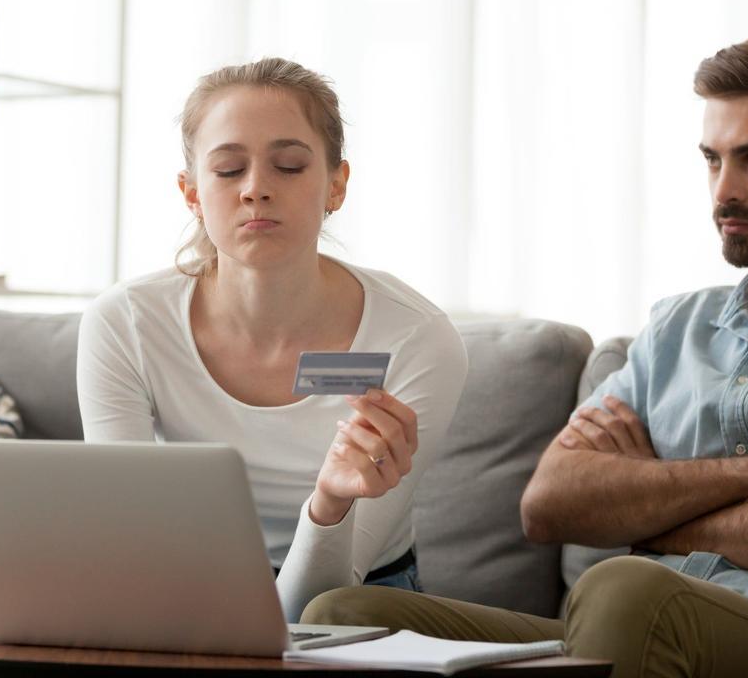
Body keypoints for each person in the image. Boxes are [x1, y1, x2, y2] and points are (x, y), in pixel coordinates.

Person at [301, 34, 748, 678]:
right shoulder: (676, 328)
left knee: (626, 589)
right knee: (344, 617)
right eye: (712, 159)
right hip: (620, 633)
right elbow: (549, 504)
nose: (724, 190)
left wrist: (652, 519)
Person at [77, 57, 468, 621]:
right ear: (191, 193)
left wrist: (331, 502)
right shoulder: (125, 324)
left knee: (335, 613)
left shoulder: (417, 338)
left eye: (288, 166)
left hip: (353, 605)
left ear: (337, 184)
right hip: (186, 591)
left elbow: (325, 599)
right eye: (229, 170)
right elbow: (131, 545)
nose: (256, 189)